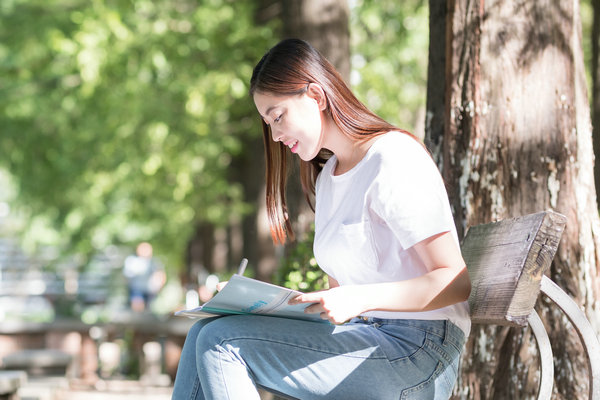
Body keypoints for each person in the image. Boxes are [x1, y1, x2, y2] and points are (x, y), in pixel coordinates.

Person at [172, 38, 471, 400]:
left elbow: (454, 282)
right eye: (267, 123)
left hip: (419, 350)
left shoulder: (393, 157)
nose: (276, 135)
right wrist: (273, 303)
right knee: (205, 332)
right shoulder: (328, 177)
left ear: (316, 95)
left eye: (277, 116)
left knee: (223, 342)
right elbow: (340, 302)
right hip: (366, 339)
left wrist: (357, 299)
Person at [123, 242, 165, 312]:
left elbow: (160, 274)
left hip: (150, 290)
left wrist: (159, 286)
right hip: (136, 289)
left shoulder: (153, 261)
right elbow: (127, 275)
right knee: (137, 308)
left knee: (148, 310)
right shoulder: (132, 261)